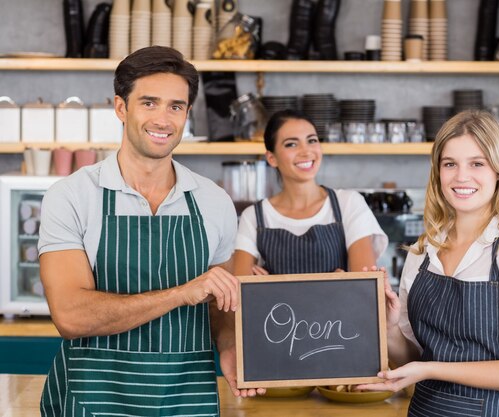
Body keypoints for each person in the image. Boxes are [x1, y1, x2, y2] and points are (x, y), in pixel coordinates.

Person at [38, 46, 262, 416]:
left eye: (176, 106)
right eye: (149, 103)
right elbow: (71, 315)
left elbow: (219, 306)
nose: (163, 119)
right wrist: (181, 293)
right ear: (121, 108)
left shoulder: (213, 200)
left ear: (187, 114)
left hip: (187, 399)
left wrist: (228, 347)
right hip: (93, 400)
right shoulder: (73, 195)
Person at [358, 110, 499, 416]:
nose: (461, 176)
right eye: (450, 164)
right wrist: (390, 328)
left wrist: (430, 371)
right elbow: (412, 359)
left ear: (498, 172)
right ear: (438, 172)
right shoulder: (422, 252)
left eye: (477, 163)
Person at [233, 109, 388, 276]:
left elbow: (365, 285)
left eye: (312, 141)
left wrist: (269, 286)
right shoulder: (254, 217)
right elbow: (241, 292)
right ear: (272, 158)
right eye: (291, 144)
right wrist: (335, 285)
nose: (306, 151)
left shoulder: (349, 203)